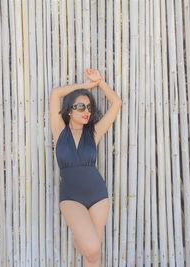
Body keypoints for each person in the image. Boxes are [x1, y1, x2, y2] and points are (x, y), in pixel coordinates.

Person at [49, 68, 122, 267]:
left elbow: (117, 104)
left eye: (89, 108)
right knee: (91, 247)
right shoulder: (59, 131)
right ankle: (78, 241)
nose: (86, 112)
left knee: (92, 256)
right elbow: (56, 93)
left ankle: (80, 243)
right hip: (71, 197)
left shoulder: (94, 133)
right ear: (70, 110)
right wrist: (87, 86)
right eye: (80, 107)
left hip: (98, 196)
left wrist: (101, 83)